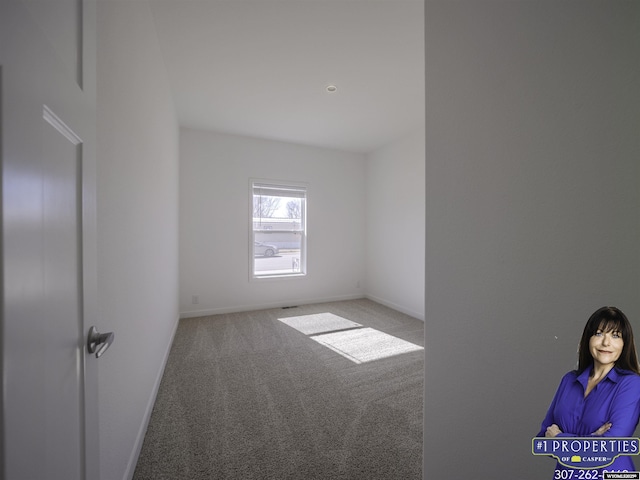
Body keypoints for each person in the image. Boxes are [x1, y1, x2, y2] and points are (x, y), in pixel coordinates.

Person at [537, 306, 640, 477]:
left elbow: (609, 447)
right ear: (588, 339)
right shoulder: (569, 380)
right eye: (599, 333)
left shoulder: (632, 384)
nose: (606, 343)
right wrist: (592, 438)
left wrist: (560, 439)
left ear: (625, 343)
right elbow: (542, 440)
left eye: (615, 335)